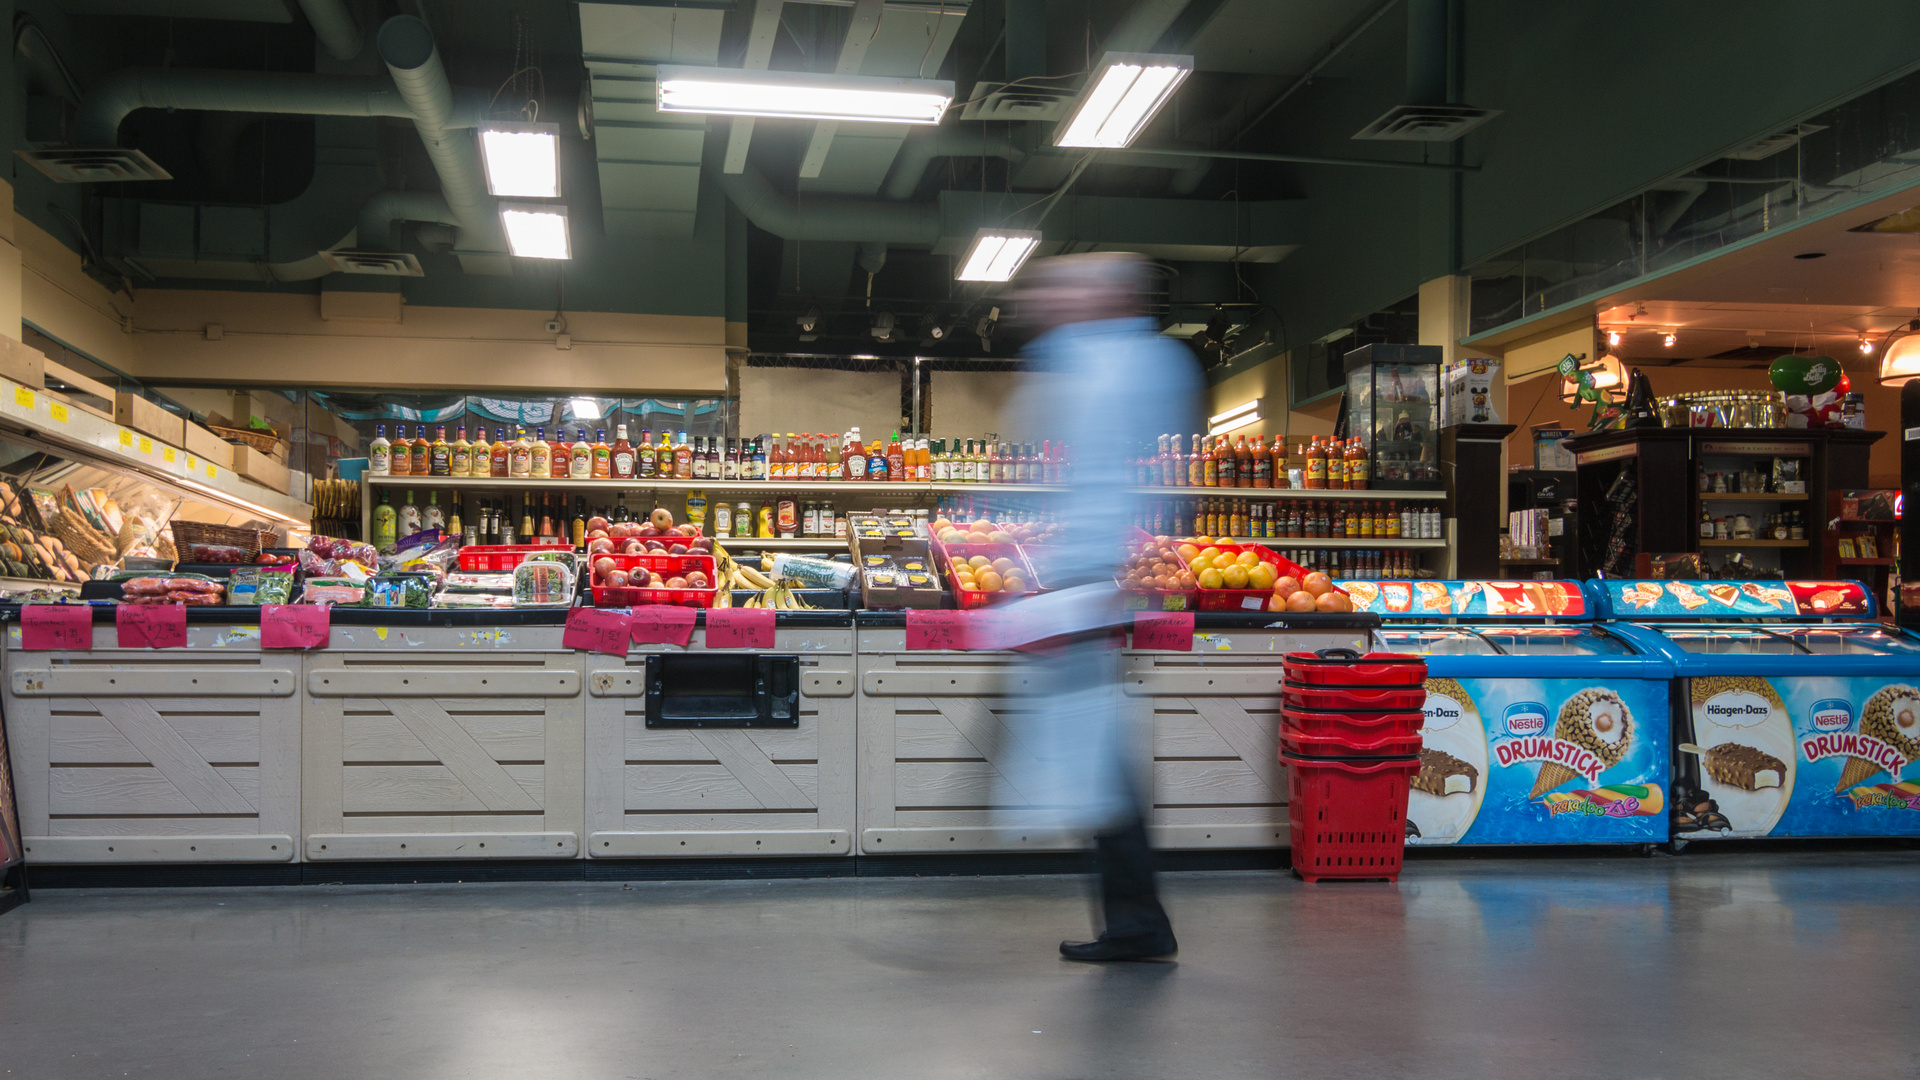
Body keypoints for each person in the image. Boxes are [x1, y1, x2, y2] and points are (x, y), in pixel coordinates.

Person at [999, 252, 1204, 962]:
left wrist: (1076, 586)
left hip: (1087, 582)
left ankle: (1139, 923)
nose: (1051, 299)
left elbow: (1113, 489)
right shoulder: (1100, 359)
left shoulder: (1126, 365)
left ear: (1108, 295)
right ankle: (1137, 920)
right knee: (1097, 752)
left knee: (1096, 755)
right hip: (1077, 581)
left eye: (1067, 287)